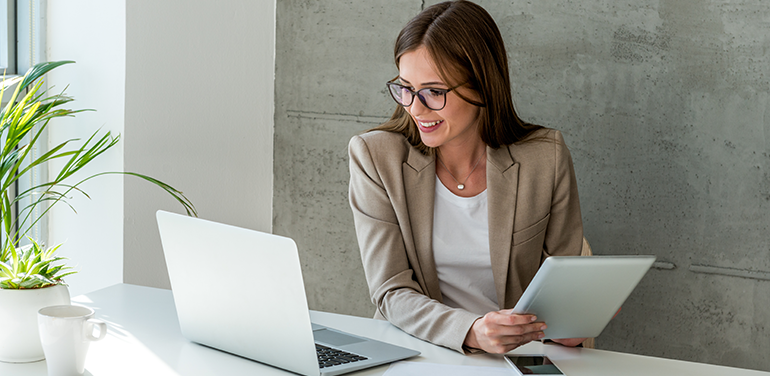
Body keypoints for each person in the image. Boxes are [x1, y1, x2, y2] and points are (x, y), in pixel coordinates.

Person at [347, 0, 586, 354]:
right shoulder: (376, 157)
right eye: (405, 87)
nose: (415, 107)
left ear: (482, 87)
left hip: (516, 358)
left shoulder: (544, 158)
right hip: (419, 351)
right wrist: (471, 330)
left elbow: (562, 288)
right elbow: (390, 291)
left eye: (434, 92)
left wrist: (571, 323)